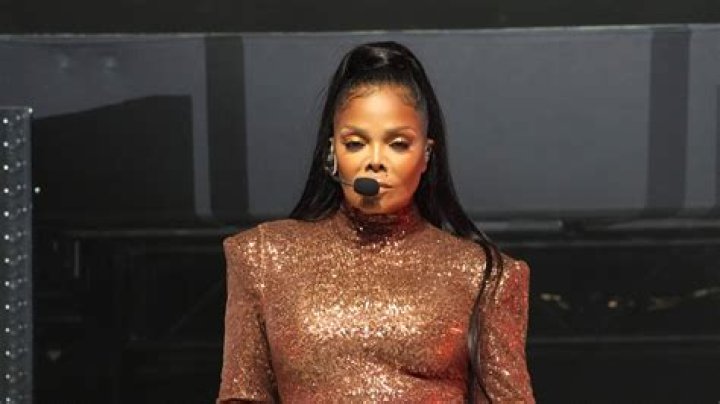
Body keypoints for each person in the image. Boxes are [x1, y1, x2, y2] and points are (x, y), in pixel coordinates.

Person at [217, 41, 534, 403]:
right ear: (332, 152)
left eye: (398, 144)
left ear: (426, 155)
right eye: (356, 143)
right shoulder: (263, 257)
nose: (375, 161)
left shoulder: (483, 275)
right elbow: (242, 396)